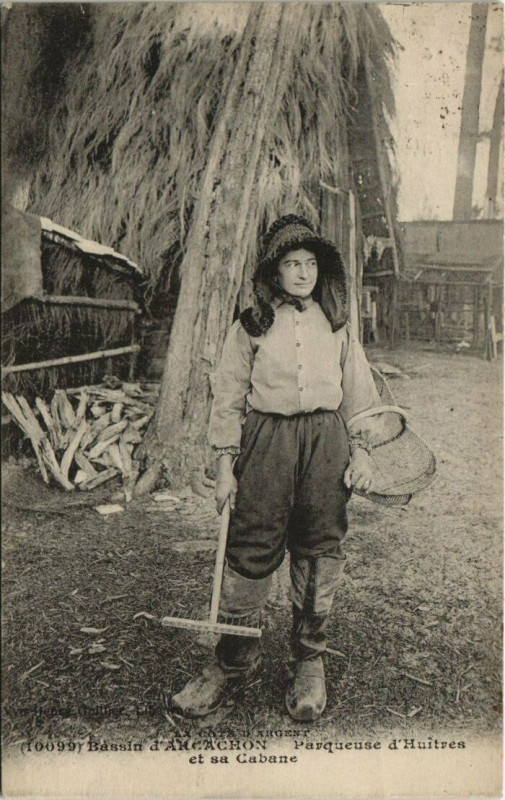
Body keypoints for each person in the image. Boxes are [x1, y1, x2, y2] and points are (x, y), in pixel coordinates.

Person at [171, 214, 384, 722]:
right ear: (274, 271)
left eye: (311, 263)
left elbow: (359, 394)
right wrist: (225, 466)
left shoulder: (336, 322)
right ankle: (232, 662)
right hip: (266, 443)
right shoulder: (250, 326)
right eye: (292, 263)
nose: (303, 273)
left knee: (319, 543)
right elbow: (227, 397)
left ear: (321, 269)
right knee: (250, 545)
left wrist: (364, 451)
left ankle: (309, 661)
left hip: (325, 444)